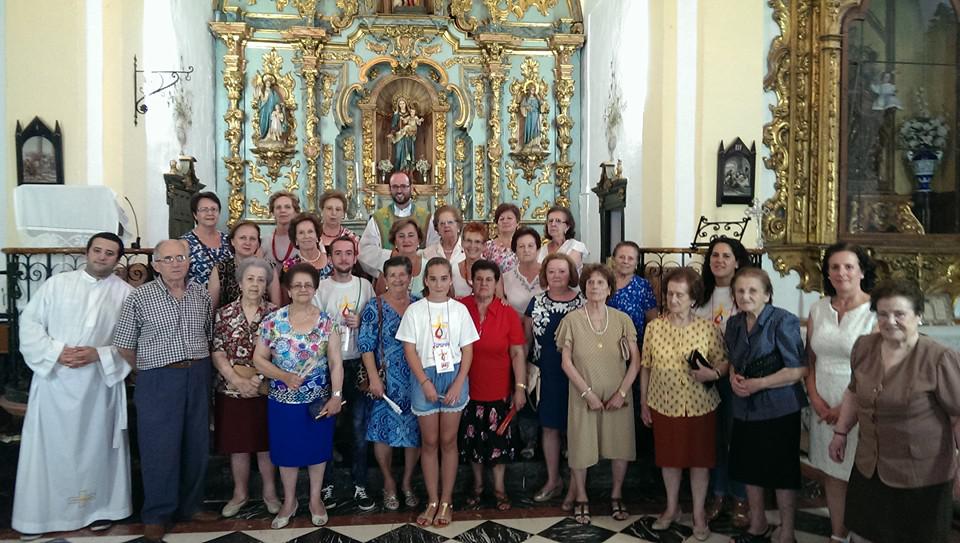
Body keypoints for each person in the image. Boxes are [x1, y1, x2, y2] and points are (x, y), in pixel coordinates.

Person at [13, 233, 133, 538]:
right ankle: (41, 516)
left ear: (118, 259)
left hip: (99, 384)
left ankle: (100, 509)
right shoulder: (57, 284)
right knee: (50, 449)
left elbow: (133, 341)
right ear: (87, 252)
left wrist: (99, 354)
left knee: (97, 447)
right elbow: (30, 323)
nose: (102, 257)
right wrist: (55, 352)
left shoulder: (126, 294)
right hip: (55, 381)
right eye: (97, 250)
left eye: (109, 253)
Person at [828, 280, 960, 543]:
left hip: (921, 475)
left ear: (918, 316)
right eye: (883, 314)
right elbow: (853, 392)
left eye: (900, 314)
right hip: (870, 466)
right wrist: (841, 432)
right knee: (866, 534)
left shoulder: (938, 358)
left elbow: (958, 416)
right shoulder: (864, 347)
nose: (890, 321)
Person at [114, 240, 217, 543]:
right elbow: (124, 345)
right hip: (158, 377)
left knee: (197, 443)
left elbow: (208, 334)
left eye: (181, 257)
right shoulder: (140, 297)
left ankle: (191, 506)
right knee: (159, 447)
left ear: (188, 261)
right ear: (156, 264)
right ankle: (157, 514)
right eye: (168, 258)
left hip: (197, 374)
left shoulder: (200, 293)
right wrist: (149, 368)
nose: (176, 263)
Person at [252, 263, 344, 529]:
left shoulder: (327, 323)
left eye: (308, 285)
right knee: (286, 454)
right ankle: (289, 501)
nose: (303, 289)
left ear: (315, 289)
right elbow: (259, 359)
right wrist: (283, 376)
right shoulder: (273, 321)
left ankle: (315, 500)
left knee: (317, 453)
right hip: (283, 402)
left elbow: (336, 363)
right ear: (289, 290)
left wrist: (336, 395)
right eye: (297, 285)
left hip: (318, 402)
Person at [639, 268, 729, 540]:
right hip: (664, 403)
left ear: (693, 298)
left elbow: (723, 361)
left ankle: (699, 513)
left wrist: (713, 373)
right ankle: (671, 508)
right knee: (669, 460)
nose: (673, 299)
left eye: (680, 295)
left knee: (700, 461)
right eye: (670, 294)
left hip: (700, 405)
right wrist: (644, 402)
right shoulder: (654, 327)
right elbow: (646, 366)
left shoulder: (707, 328)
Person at [724, 267, 807, 543]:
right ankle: (757, 523)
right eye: (740, 291)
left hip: (779, 408)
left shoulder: (783, 320)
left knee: (782, 471)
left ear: (767, 294)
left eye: (752, 291)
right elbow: (734, 360)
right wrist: (733, 377)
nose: (745, 296)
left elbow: (798, 369)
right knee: (749, 467)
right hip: (745, 408)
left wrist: (760, 383)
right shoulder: (734, 324)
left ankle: (787, 531)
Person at [396, 257, 479, 527]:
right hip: (425, 376)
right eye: (433, 278)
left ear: (450, 280)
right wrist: (424, 382)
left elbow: (468, 349)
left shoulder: (459, 310)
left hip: (454, 374)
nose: (439, 284)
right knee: (429, 442)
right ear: (425, 280)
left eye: (444, 278)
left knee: (448, 441)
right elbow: (409, 349)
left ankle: (446, 500)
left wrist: (458, 382)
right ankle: (432, 500)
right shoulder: (415, 310)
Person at [558, 264, 641, 525]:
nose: (595, 287)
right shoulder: (571, 320)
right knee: (580, 446)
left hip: (618, 396)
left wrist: (622, 392)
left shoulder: (622, 319)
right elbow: (566, 363)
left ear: (609, 289)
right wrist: (587, 394)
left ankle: (616, 494)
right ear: (584, 287)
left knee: (620, 445)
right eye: (590, 282)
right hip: (583, 395)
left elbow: (636, 362)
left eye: (601, 283)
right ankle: (582, 496)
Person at [805, 243, 876, 542]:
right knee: (832, 473)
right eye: (834, 267)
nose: (841, 272)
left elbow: (874, 369)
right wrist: (815, 398)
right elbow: (810, 360)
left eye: (849, 266)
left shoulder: (875, 312)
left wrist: (844, 412)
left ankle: (862, 534)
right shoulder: (818, 308)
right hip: (822, 405)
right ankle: (838, 534)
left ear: (862, 271)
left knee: (860, 474)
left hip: (860, 403)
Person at [211, 257, 281, 518]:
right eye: (250, 279)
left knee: (265, 444)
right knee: (238, 445)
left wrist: (259, 379)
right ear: (240, 283)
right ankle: (240, 493)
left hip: (265, 388)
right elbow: (217, 350)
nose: (255, 284)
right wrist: (236, 380)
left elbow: (280, 354)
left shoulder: (276, 314)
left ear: (266, 285)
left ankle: (270, 493)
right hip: (231, 388)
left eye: (261, 280)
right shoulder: (224, 313)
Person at [313, 236, 376, 511]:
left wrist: (361, 321)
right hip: (329, 364)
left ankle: (360, 484)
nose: (343, 258)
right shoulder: (321, 287)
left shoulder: (365, 286)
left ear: (355, 257)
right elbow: (313, 323)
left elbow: (373, 321)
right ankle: (326, 485)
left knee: (359, 428)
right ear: (330, 258)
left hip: (358, 363)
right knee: (326, 427)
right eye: (337, 253)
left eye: (348, 253)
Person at [459, 260, 527, 511]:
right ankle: (477, 486)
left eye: (489, 279)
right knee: (472, 443)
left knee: (499, 445)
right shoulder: (460, 308)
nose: (483, 284)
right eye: (479, 279)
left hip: (499, 390)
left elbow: (517, 353)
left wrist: (520, 387)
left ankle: (499, 489)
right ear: (471, 281)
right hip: (467, 389)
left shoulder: (507, 313)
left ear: (497, 282)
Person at [695, 236, 751, 526]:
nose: (719, 261)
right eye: (714, 255)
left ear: (737, 261)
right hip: (702, 378)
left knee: (736, 439)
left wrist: (721, 371)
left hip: (735, 377)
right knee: (712, 440)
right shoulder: (700, 293)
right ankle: (717, 495)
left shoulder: (745, 292)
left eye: (726, 256)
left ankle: (740, 497)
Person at [359, 256, 422, 511]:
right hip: (385, 382)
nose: (397, 279)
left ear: (410, 277)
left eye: (402, 274)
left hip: (415, 379)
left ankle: (407, 482)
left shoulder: (419, 304)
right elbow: (366, 346)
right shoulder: (375, 306)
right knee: (382, 431)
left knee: (414, 432)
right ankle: (388, 482)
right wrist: (374, 378)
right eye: (392, 275)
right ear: (385, 278)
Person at [525, 253, 584, 509]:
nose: (557, 276)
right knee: (549, 428)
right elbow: (526, 341)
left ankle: (576, 485)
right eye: (551, 271)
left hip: (577, 376)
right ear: (545, 275)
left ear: (571, 274)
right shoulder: (536, 302)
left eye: (562, 271)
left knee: (576, 429)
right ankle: (553, 480)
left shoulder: (582, 301)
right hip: (546, 374)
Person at [358, 171, 438, 277]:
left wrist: (414, 257)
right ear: (390, 189)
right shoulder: (378, 218)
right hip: (389, 280)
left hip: (420, 278)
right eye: (395, 187)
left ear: (411, 188)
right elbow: (364, 250)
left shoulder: (426, 218)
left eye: (403, 186)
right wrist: (391, 255)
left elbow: (436, 248)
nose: (399, 191)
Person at [208, 220, 281, 310]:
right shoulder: (220, 269)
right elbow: (211, 309)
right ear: (232, 241)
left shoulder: (268, 267)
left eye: (252, 239)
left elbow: (277, 308)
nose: (247, 242)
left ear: (258, 243)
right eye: (242, 238)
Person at [608, 241, 658, 344]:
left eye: (630, 258)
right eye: (621, 257)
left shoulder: (643, 286)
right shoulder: (604, 282)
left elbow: (652, 321)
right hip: (604, 343)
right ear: (613, 259)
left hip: (634, 345)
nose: (625, 261)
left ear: (636, 263)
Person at [181, 191, 232, 286]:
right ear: (195, 215)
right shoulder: (185, 243)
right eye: (204, 210)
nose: (210, 213)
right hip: (198, 294)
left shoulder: (228, 240)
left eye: (214, 209)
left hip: (228, 294)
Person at [375, 218, 425, 296]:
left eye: (411, 235)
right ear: (395, 241)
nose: (406, 240)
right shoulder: (386, 267)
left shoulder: (429, 266)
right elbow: (379, 298)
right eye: (401, 236)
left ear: (418, 239)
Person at [502, 226, 543, 314]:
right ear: (515, 251)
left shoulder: (550, 274)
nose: (526, 250)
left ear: (538, 249)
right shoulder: (505, 278)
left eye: (530, 246)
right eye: (521, 246)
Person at [281, 213, 332, 282]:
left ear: (317, 236)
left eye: (310, 232)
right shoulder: (288, 266)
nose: (306, 236)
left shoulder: (333, 260)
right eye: (301, 233)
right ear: (296, 239)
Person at [537, 205, 588, 271]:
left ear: (567, 227)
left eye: (558, 221)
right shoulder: (541, 250)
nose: (553, 224)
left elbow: (566, 270)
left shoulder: (576, 246)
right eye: (550, 221)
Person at [266, 191, 301, 269]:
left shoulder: (303, 239)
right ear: (272, 212)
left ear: (296, 212)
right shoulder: (265, 241)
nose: (282, 210)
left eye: (287, 207)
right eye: (278, 207)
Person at [452, 222, 488, 297]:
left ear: (484, 246)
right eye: (469, 241)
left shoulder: (492, 270)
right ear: (462, 243)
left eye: (477, 242)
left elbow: (499, 300)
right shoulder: (453, 270)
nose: (472, 246)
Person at [483, 203, 521, 273]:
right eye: (501, 219)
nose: (505, 221)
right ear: (497, 223)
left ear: (517, 222)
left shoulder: (523, 245)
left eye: (509, 218)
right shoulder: (488, 246)